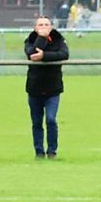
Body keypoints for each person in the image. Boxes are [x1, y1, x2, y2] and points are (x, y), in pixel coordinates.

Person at [24, 16, 69, 159]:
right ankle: (38, 152)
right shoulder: (30, 40)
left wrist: (44, 55)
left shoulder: (58, 40)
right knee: (36, 122)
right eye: (40, 25)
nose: (43, 27)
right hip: (34, 88)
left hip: (53, 88)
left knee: (50, 119)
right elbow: (32, 53)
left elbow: (64, 54)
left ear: (51, 27)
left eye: (46, 25)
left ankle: (52, 151)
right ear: (35, 28)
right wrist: (41, 39)